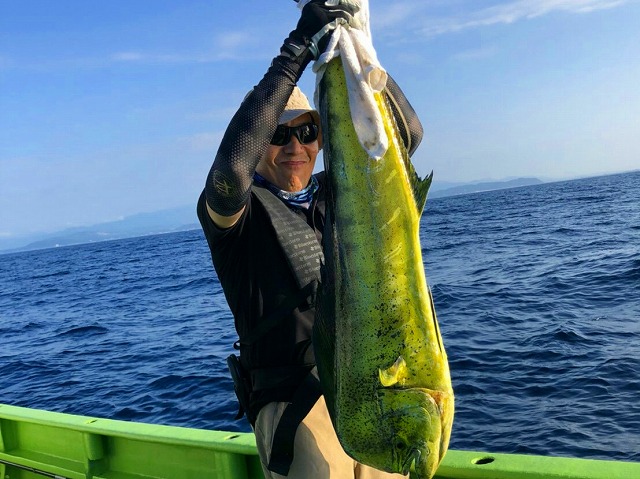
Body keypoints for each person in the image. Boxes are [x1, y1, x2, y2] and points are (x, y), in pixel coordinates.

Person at [197, 1, 423, 477]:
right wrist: (297, 48)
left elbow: (408, 138)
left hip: (372, 391)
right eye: (278, 135)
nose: (295, 147)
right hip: (296, 407)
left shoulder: (335, 196)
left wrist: (359, 49)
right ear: (259, 144)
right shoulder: (238, 217)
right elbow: (229, 175)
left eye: (307, 131)